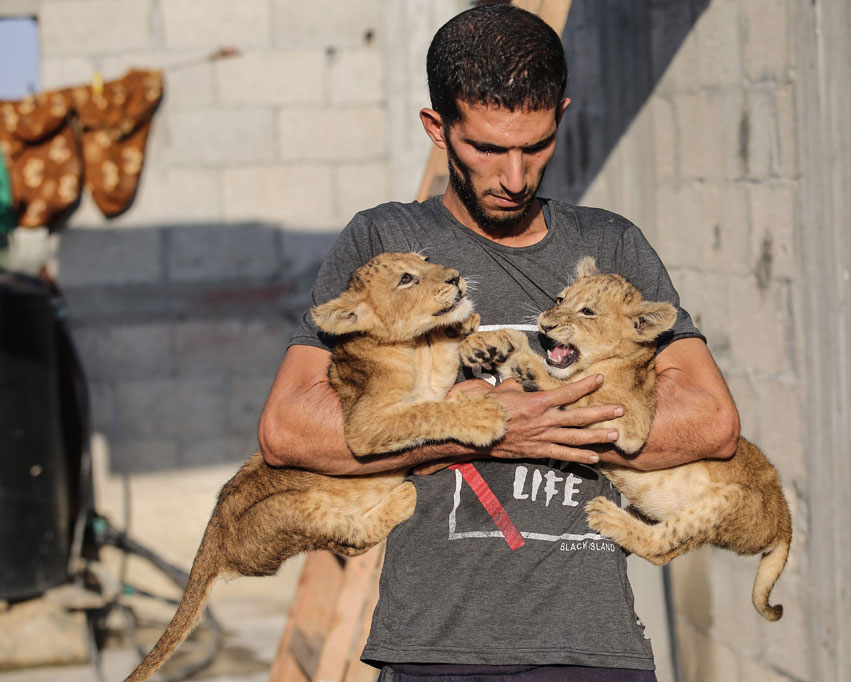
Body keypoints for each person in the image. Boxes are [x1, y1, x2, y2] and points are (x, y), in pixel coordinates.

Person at [258, 5, 739, 682]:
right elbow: (288, 428)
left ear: (560, 116)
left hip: (591, 651)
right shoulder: (381, 244)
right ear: (438, 129)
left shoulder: (609, 245)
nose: (515, 176)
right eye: (487, 148)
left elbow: (712, 422)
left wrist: (542, 424)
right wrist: (481, 430)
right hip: (435, 652)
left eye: (535, 145)